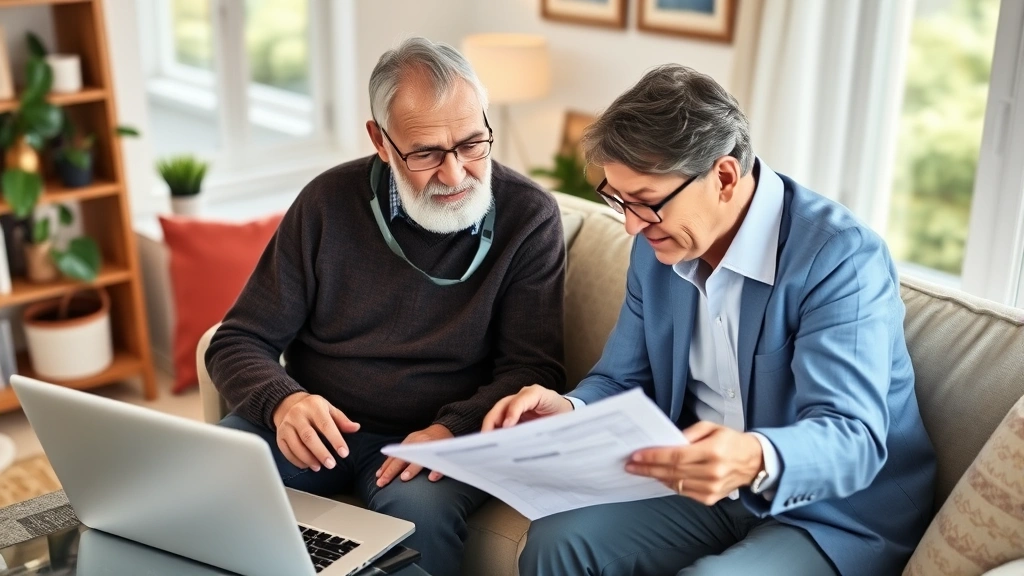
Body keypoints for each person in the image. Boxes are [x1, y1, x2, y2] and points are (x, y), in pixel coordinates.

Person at [483, 64, 936, 576]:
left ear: (723, 176)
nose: (631, 225)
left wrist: (751, 456)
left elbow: (852, 437)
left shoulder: (839, 257)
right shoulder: (658, 248)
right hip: (702, 488)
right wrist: (569, 408)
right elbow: (622, 379)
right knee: (559, 541)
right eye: (617, 199)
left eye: (647, 203)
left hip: (832, 513)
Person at [206, 37, 566, 576]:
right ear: (380, 139)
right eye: (425, 153)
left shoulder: (529, 217)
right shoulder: (326, 203)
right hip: (319, 429)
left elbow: (534, 369)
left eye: (472, 144)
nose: (454, 174)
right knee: (208, 480)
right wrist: (284, 403)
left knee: (421, 518)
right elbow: (238, 338)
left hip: (434, 444)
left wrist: (453, 430)